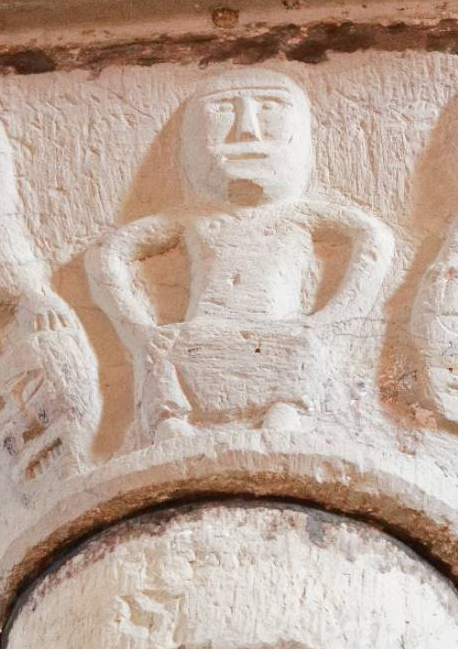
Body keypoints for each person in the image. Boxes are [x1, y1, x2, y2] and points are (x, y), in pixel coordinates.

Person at [87, 68, 393, 442]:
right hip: (203, 331)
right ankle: (170, 422)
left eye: (269, 107)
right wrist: (140, 331)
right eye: (222, 111)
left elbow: (373, 238)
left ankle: (286, 415)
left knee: (305, 349)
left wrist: (332, 322)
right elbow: (109, 252)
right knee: (159, 353)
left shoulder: (298, 215)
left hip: (279, 332)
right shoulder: (193, 219)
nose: (247, 129)